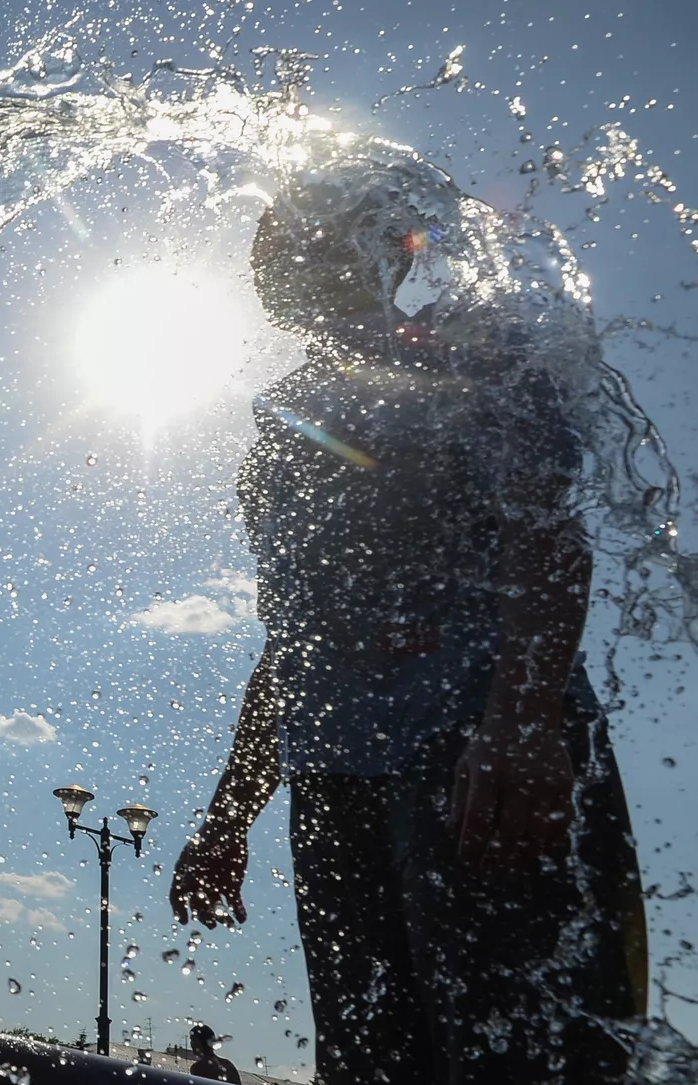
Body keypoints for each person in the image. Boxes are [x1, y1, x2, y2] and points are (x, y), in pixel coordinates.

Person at [168, 180, 648, 1083]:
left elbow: (546, 539)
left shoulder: (483, 358)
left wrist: (522, 720)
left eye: (317, 234)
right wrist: (229, 818)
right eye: (278, 240)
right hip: (334, 784)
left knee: (528, 1059)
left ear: (389, 249)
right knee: (368, 1065)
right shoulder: (279, 432)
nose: (285, 251)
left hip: (477, 765)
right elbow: (293, 643)